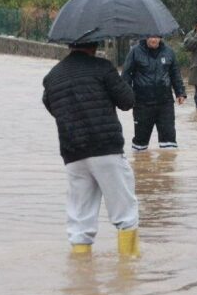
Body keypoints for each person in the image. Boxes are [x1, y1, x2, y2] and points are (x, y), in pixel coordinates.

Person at [42, 41, 139, 257]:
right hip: (106, 149)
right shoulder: (102, 67)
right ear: (95, 43)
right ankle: (130, 273)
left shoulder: (53, 76)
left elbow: (51, 106)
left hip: (73, 153)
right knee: (125, 212)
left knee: (80, 218)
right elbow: (127, 101)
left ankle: (81, 276)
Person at [122, 36, 186, 151]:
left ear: (160, 38)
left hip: (165, 103)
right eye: (151, 37)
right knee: (140, 145)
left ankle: (168, 167)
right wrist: (127, 96)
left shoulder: (169, 52)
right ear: (146, 37)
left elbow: (175, 74)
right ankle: (140, 166)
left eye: (156, 37)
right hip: (142, 103)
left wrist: (180, 93)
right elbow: (126, 75)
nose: (153, 40)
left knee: (169, 143)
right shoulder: (135, 52)